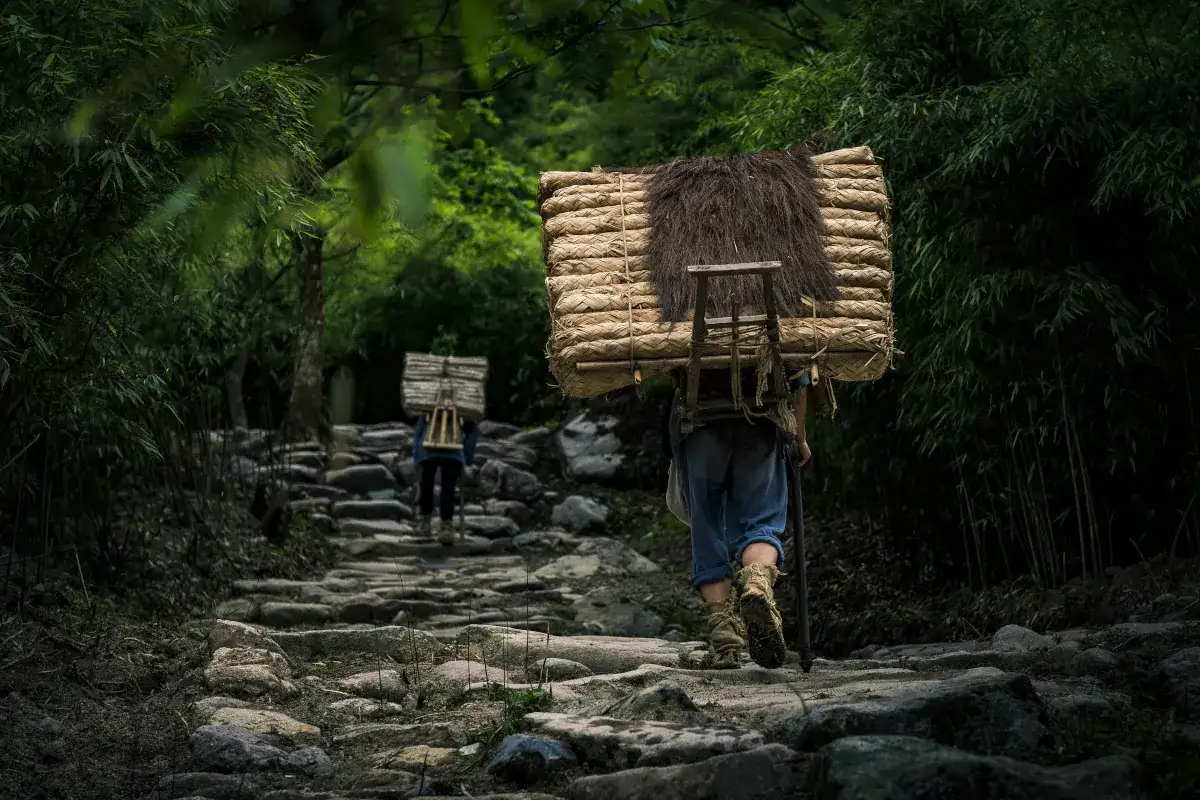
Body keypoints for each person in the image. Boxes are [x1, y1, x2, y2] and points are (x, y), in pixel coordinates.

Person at [666, 365, 812, 669]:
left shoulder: (685, 329)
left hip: (700, 424)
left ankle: (724, 640)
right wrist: (799, 437)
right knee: (760, 524)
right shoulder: (774, 329)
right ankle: (758, 585)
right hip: (761, 421)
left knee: (706, 529)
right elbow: (801, 377)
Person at [412, 413, 480, 546]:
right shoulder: (461, 409)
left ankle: (429, 523)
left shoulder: (431, 407)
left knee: (430, 485)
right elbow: (471, 430)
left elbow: (419, 429)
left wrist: (416, 456)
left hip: (432, 449)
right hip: (448, 450)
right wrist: (467, 457)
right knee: (446, 488)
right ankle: (444, 526)